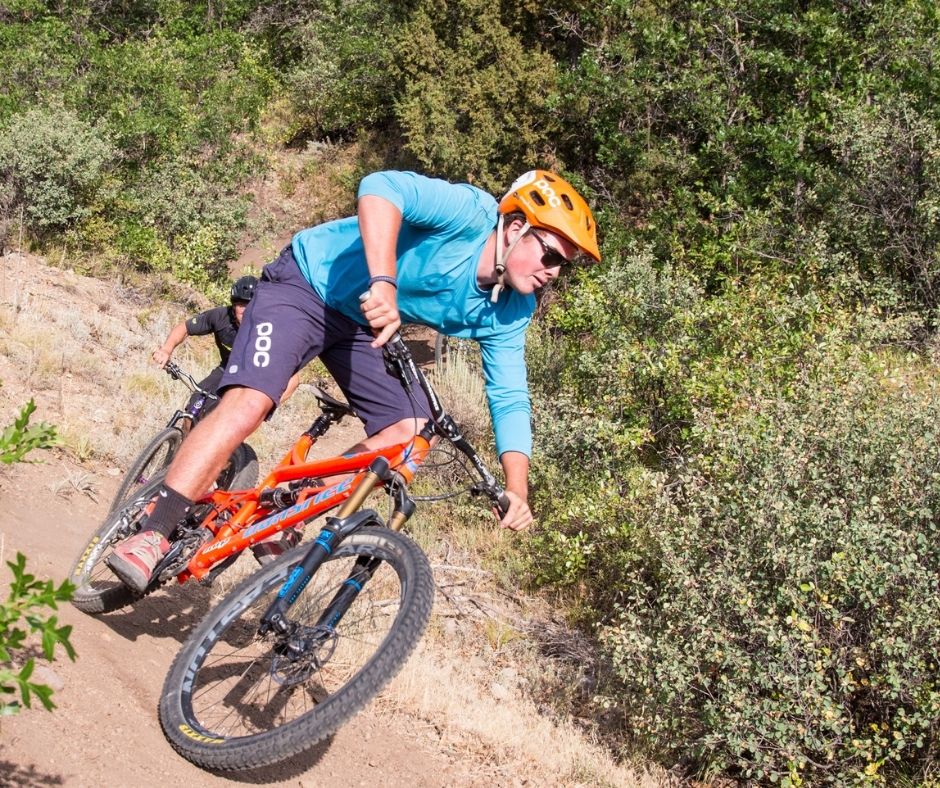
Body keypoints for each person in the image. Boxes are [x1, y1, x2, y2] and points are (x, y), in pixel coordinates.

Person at [106, 169, 601, 593]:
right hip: (309, 284)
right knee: (251, 401)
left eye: (564, 267)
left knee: (411, 431)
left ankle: (282, 514)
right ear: (515, 228)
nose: (553, 273)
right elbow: (380, 187)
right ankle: (154, 529)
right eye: (551, 256)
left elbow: (510, 395)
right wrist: (383, 281)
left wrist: (518, 487)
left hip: (361, 322)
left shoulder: (512, 309)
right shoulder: (469, 213)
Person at [152, 275, 260, 428]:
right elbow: (185, 328)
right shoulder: (221, 316)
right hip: (225, 371)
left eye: (251, 305)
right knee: (193, 409)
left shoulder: (266, 330)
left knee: (217, 419)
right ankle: (182, 448)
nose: (245, 310)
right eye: (241, 305)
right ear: (234, 304)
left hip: (250, 380)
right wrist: (166, 350)